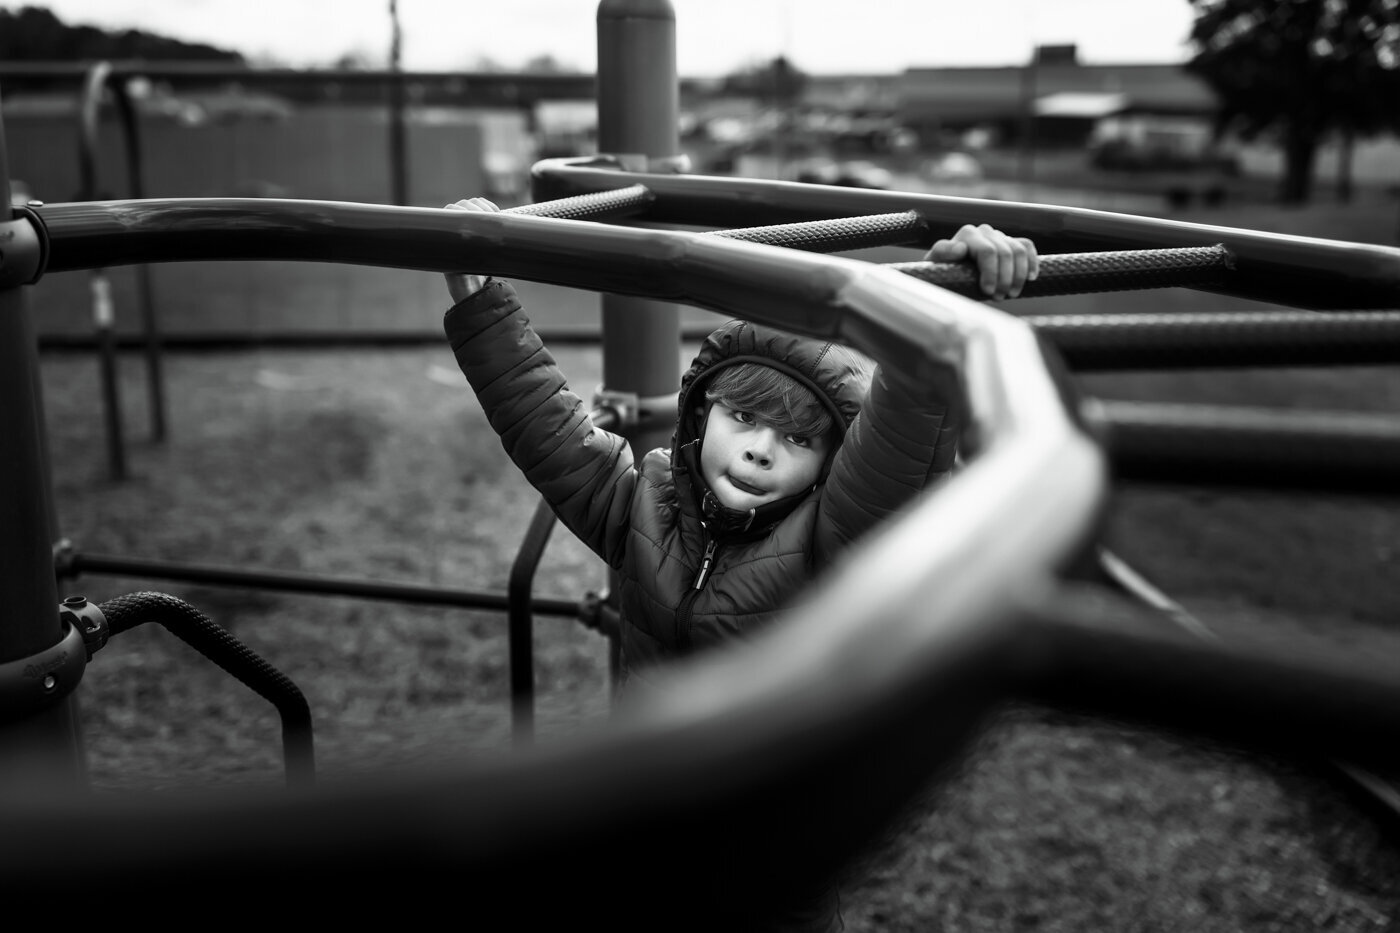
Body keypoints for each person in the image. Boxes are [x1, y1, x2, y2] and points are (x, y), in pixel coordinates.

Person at [441, 196, 1037, 931]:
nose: (759, 448)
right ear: (701, 415)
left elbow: (901, 439)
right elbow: (546, 427)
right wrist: (477, 290)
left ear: (828, 462)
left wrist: (942, 308)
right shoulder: (644, 505)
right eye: (744, 417)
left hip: (767, 852)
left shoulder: (833, 543)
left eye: (795, 437)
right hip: (646, 820)